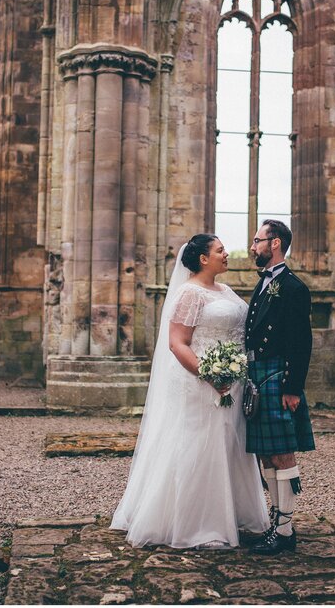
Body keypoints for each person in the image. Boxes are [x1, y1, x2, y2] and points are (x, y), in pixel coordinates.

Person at [111, 234, 271, 549]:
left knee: (228, 444)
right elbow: (176, 342)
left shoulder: (225, 290)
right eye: (221, 250)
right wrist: (208, 374)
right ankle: (195, 523)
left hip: (231, 382)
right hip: (200, 383)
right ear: (203, 258)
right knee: (199, 446)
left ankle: (232, 513)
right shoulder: (189, 293)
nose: (227, 254)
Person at [245, 219, 316, 554]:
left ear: (274, 244)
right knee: (266, 454)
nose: (252, 246)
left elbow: (302, 342)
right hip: (259, 373)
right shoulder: (262, 284)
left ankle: (285, 530)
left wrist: (292, 388)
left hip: (277, 376)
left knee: (282, 453)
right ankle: (278, 523)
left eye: (257, 240)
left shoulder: (293, 287)